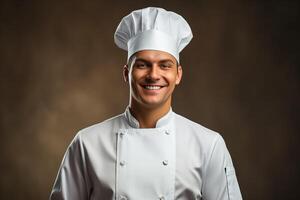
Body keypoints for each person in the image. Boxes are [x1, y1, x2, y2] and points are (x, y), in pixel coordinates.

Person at [50, 7, 242, 200]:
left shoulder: (208, 145)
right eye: (142, 65)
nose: (153, 75)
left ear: (178, 75)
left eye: (165, 65)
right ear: (126, 73)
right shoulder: (87, 143)